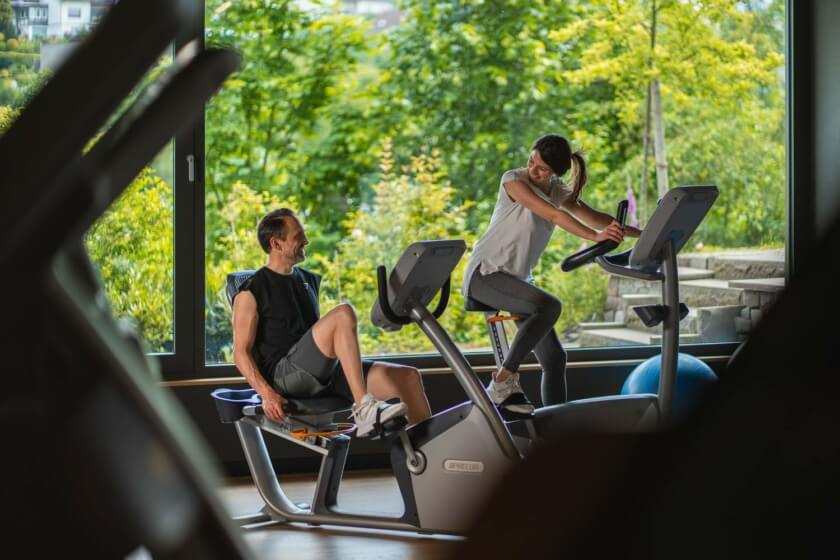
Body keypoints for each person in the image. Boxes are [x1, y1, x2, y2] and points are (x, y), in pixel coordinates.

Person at [463, 134, 642, 415]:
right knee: (549, 306)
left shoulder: (556, 189)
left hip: (516, 280)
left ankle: (556, 428)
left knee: (555, 358)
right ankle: (501, 382)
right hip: (485, 275)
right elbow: (554, 216)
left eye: (542, 169)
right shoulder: (513, 180)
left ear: (555, 173)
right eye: (532, 161)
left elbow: (594, 216)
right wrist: (595, 236)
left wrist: (642, 234)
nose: (533, 170)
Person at [232, 208, 432, 437]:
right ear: (276, 244)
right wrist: (267, 394)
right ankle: (364, 409)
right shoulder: (250, 291)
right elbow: (240, 353)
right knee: (343, 313)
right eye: (298, 237)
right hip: (285, 376)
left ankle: (425, 455)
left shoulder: (306, 280)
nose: (306, 241)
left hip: (321, 372)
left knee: (408, 377)